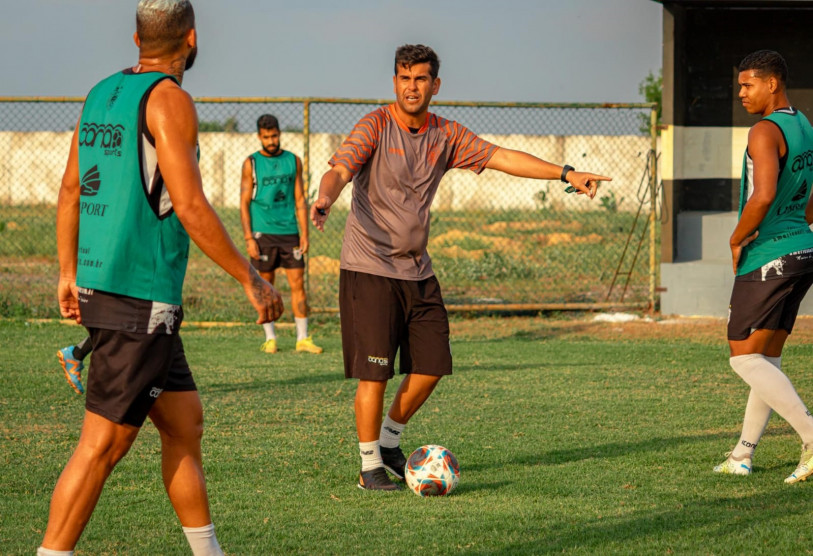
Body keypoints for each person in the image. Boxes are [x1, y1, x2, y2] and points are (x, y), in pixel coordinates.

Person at [40, 1, 283, 554]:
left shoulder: (102, 92)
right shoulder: (170, 100)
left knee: (183, 424)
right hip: (139, 299)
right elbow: (191, 204)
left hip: (111, 289)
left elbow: (72, 188)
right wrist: (250, 278)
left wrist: (67, 272)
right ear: (191, 40)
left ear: (135, 39)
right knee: (101, 447)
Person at [311, 44, 611, 490]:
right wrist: (325, 197)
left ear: (436, 85)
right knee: (375, 371)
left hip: (418, 271)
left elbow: (502, 157)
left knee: (432, 364)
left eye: (421, 79)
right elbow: (340, 168)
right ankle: (369, 464)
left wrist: (567, 174)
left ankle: (390, 442)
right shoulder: (374, 125)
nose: (412, 87)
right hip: (369, 269)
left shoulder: (446, 134)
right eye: (404, 77)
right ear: (394, 82)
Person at [713, 50, 813, 484]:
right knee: (765, 359)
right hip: (804, 249)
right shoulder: (804, 124)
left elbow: (763, 195)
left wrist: (737, 239)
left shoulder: (764, 130)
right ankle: (741, 455)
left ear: (773, 84)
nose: (741, 93)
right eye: (740, 85)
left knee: (742, 357)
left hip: (769, 253)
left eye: (748, 84)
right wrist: (799, 229)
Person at [240, 114, 322, 354]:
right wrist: (248, 238)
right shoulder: (251, 163)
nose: (271, 141)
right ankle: (271, 338)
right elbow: (244, 202)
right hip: (262, 233)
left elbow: (299, 199)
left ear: (279, 133)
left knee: (298, 284)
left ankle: (303, 338)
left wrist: (304, 234)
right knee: (265, 285)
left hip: (290, 233)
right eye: (266, 137)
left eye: (274, 136)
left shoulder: (293, 161)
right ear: (259, 137)